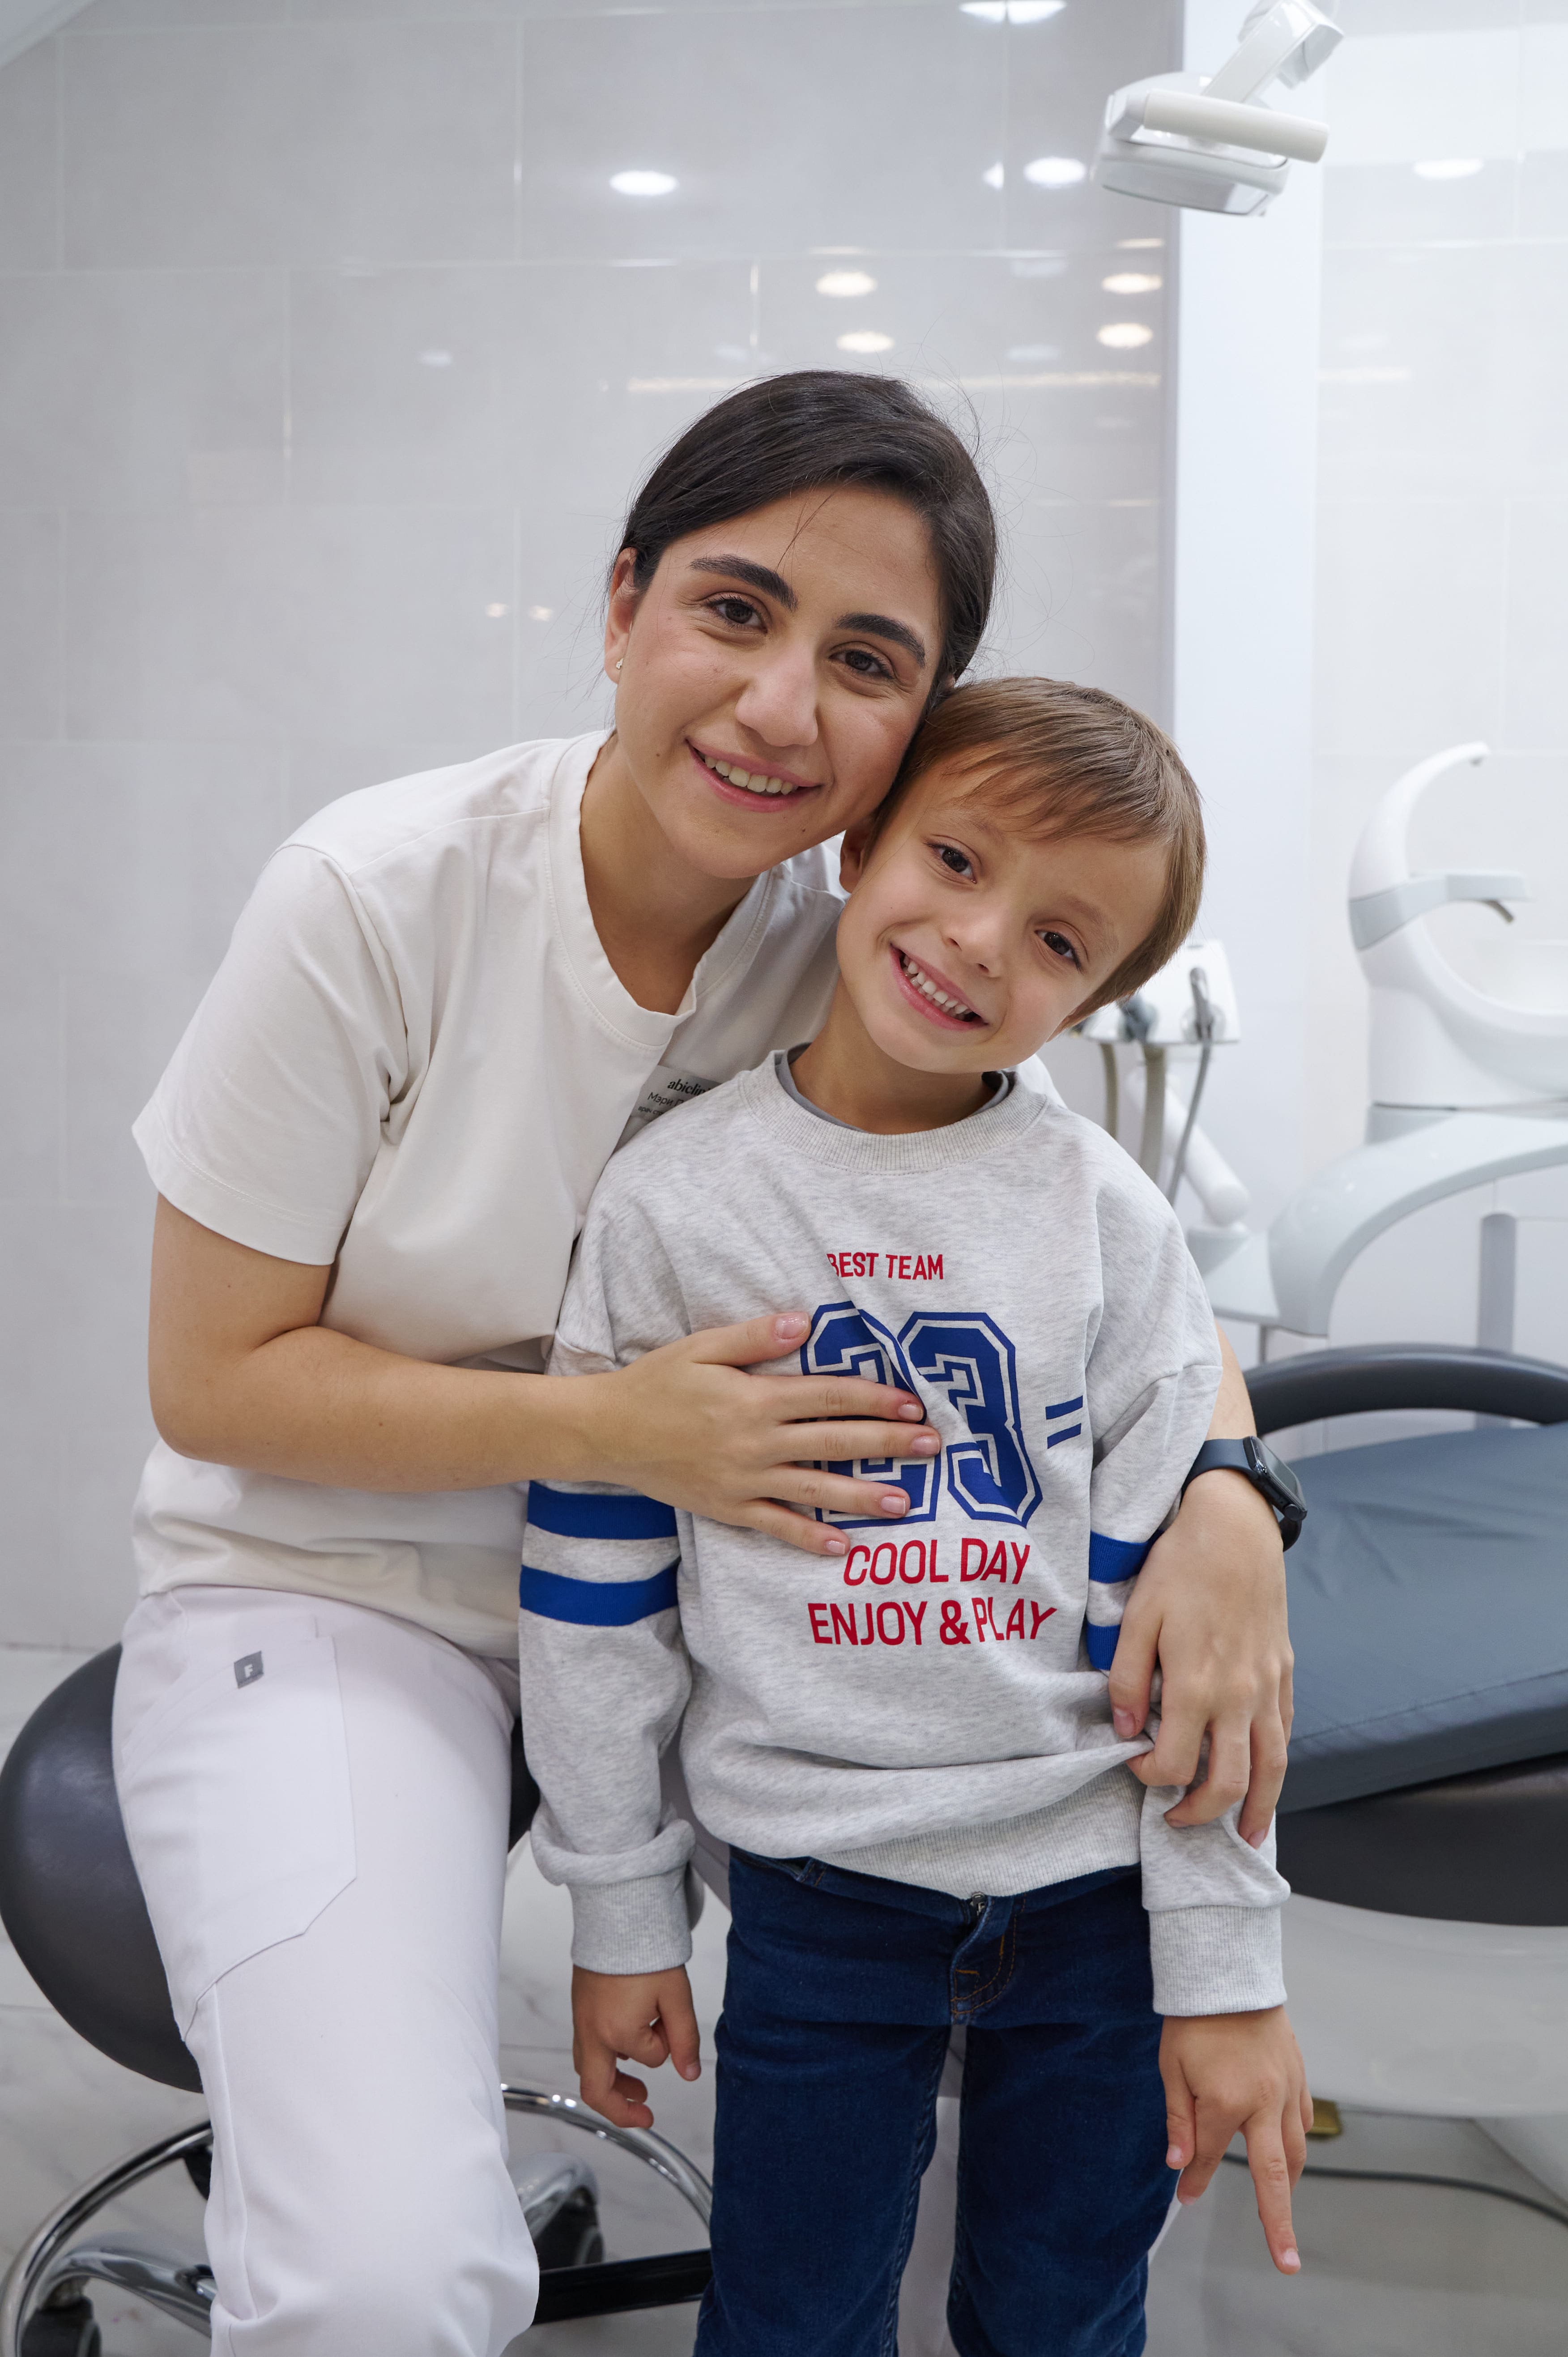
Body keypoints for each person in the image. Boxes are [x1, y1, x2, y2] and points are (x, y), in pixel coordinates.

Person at [114, 372, 1293, 2357]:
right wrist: (613, 1430)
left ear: (916, 735)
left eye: (866, 661)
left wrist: (1238, 1508)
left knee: (995, 2215)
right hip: (351, 1593)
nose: (777, 706)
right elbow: (212, 1381)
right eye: (734, 611)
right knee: (389, 2281)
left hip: (757, 1633)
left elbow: (1116, 1300)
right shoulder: (374, 898)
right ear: (622, 605)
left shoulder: (893, 946)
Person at [517, 677, 1311, 2357]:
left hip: (1097, 1893)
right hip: (821, 1891)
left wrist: (1227, 1968)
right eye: (955, 858)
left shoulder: (1109, 1223)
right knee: (791, 2320)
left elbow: (1201, 1675)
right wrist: (621, 1912)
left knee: (1062, 2316)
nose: (979, 942)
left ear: (1096, 996)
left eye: (1059, 942)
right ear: (861, 838)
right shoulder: (674, 1202)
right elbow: (597, 1595)